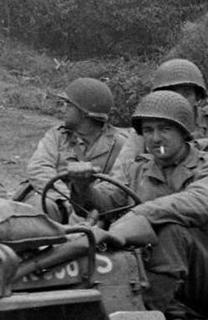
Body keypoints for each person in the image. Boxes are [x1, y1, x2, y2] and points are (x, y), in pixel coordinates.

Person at [68, 91, 208, 319]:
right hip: (143, 266)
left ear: (183, 132)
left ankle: (147, 316)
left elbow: (199, 204)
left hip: (207, 275)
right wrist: (83, 187)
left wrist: (142, 214)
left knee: (171, 232)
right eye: (148, 130)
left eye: (164, 129)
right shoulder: (138, 169)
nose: (155, 138)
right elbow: (107, 202)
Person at [15, 77, 136, 216]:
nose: (63, 109)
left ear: (85, 113)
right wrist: (67, 200)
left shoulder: (121, 143)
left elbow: (116, 187)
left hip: (97, 210)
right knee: (39, 208)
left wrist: (85, 198)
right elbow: (39, 168)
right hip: (57, 201)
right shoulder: (57, 136)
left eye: (69, 105)